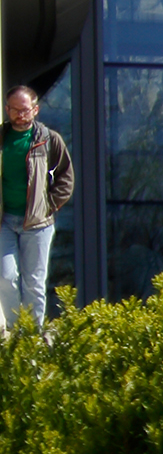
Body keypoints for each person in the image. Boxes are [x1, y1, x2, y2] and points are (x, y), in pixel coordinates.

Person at [0, 85, 73, 334]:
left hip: (38, 224)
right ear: (7, 110)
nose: (20, 115)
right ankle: (14, 330)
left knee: (33, 283)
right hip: (4, 221)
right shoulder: (1, 138)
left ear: (35, 109)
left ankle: (31, 336)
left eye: (25, 110)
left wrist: (48, 206)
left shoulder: (48, 139)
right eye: (15, 110)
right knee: (5, 276)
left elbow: (66, 178)